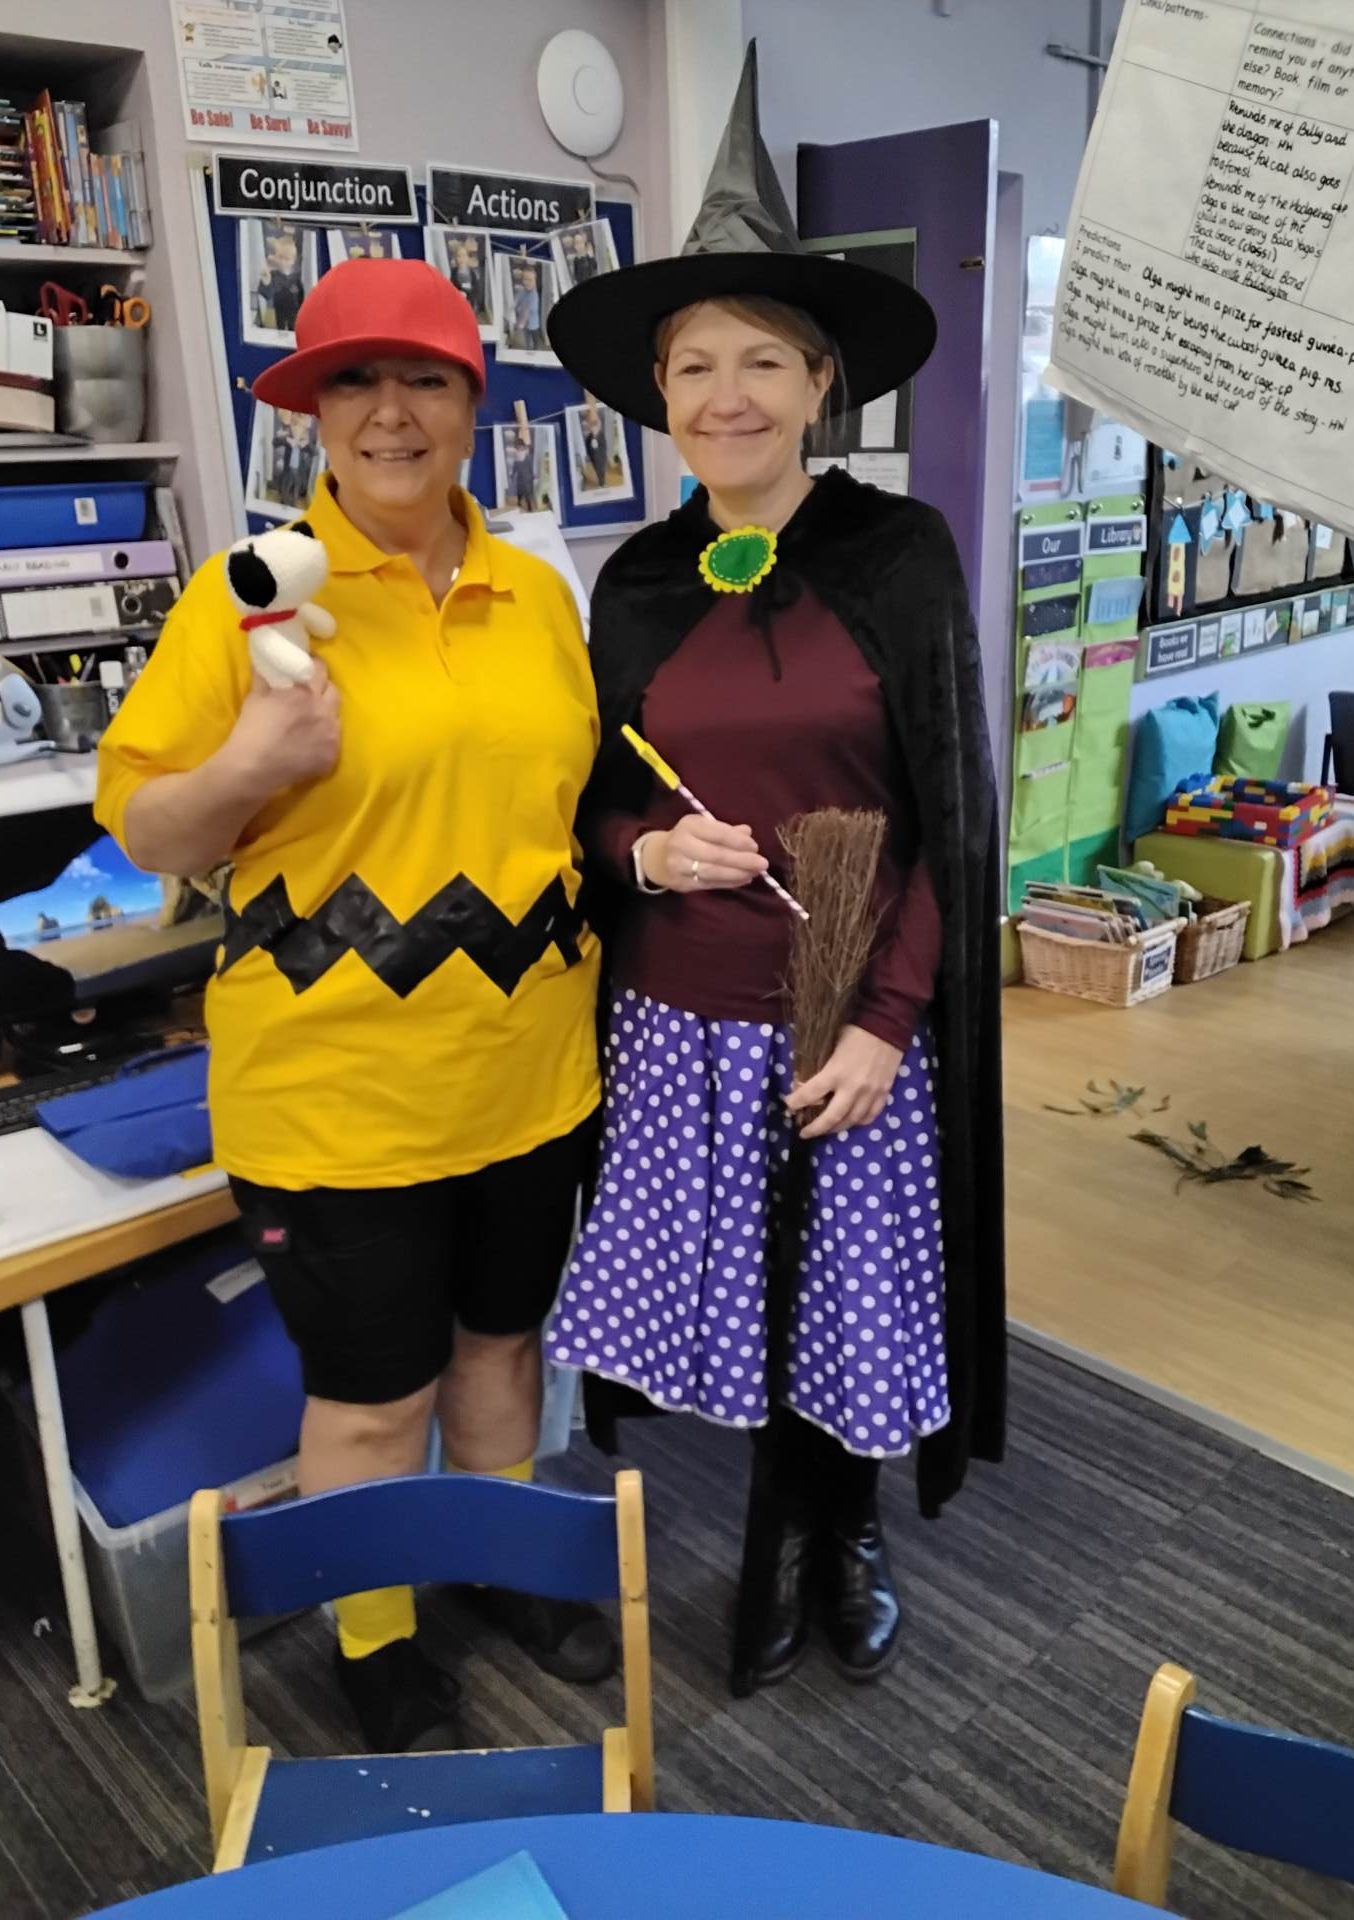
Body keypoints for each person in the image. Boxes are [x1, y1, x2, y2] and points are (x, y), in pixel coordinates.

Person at [95, 258, 614, 1752]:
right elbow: (145, 827)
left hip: (529, 1073)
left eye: (425, 380)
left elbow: (565, 808)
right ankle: (373, 1633)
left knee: (503, 1354)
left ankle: (499, 1562)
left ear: (475, 404)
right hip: (338, 1098)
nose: (392, 413)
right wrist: (252, 765)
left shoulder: (537, 592)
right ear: (312, 416)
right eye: (354, 383)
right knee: (375, 1397)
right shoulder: (249, 599)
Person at [546, 44, 1004, 1696]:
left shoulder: (898, 555)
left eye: (761, 362)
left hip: (847, 1014)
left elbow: (946, 814)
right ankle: (780, 1527)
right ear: (659, 394)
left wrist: (886, 1019)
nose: (724, 395)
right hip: (680, 1022)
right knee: (743, 1303)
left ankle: (842, 1534)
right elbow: (590, 805)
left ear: (821, 384)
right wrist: (648, 849)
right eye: (693, 365)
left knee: (843, 1303)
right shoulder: (638, 582)